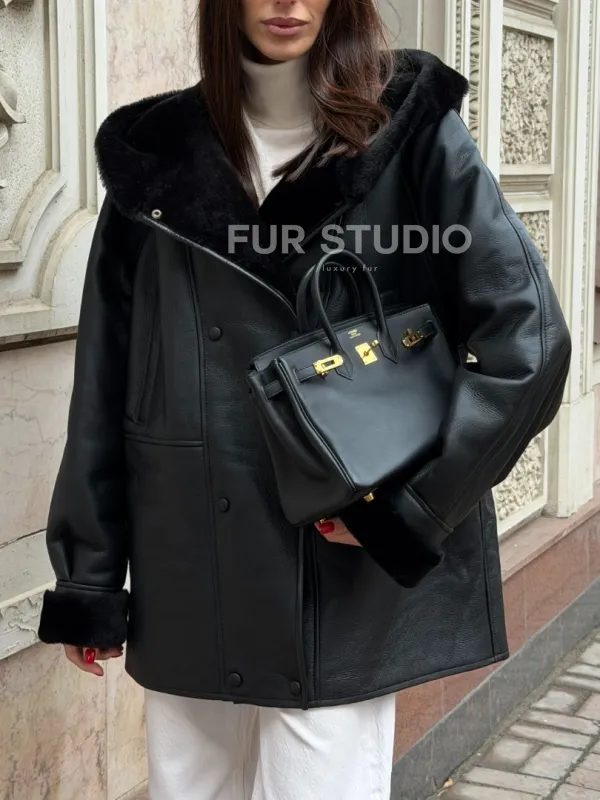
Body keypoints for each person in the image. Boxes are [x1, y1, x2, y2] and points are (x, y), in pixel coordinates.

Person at [37, 1, 571, 798]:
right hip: (189, 560)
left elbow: (529, 341)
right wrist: (90, 574)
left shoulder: (409, 131)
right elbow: (108, 374)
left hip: (340, 571)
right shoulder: (155, 156)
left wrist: (410, 511)